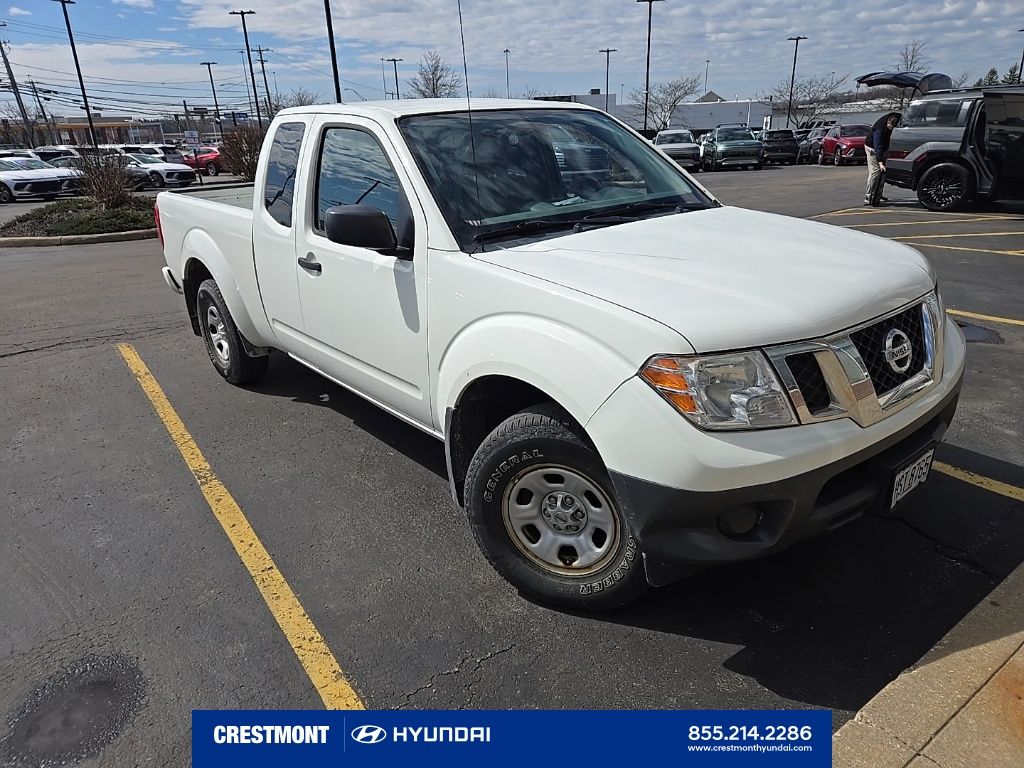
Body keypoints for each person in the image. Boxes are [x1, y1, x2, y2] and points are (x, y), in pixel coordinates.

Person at [864, 112, 900, 206]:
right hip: (872, 148)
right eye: (890, 128)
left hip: (884, 149)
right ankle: (869, 196)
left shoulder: (898, 117)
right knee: (875, 172)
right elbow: (878, 146)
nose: (890, 130)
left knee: (883, 173)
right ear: (888, 122)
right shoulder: (879, 129)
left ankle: (878, 193)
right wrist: (880, 162)